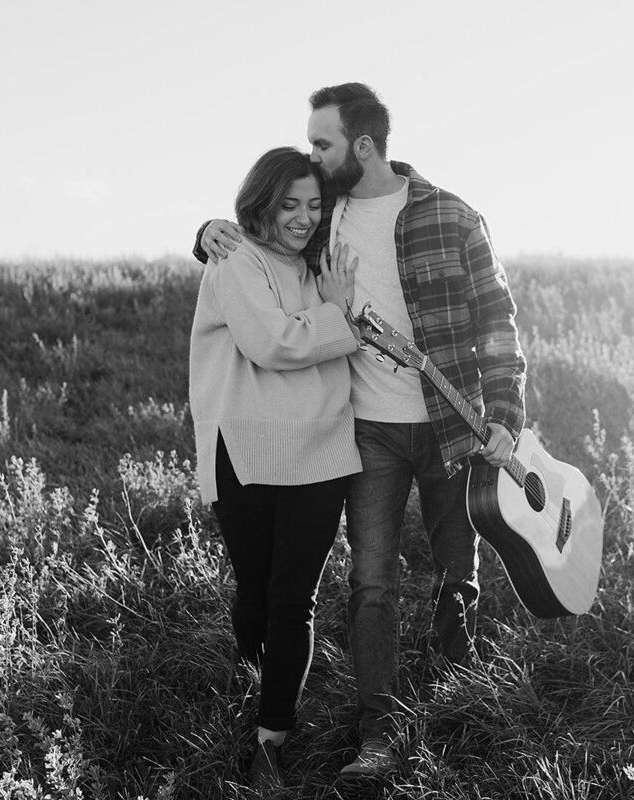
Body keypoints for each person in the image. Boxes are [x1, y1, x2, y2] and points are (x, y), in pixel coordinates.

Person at [195, 83, 527, 779]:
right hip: (365, 429)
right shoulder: (326, 218)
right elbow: (261, 239)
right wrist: (205, 232)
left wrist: (505, 417)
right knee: (370, 584)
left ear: (364, 146)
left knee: (454, 576)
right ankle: (379, 729)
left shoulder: (451, 217)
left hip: (448, 425)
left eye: (322, 143)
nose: (313, 159)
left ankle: (453, 699)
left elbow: (497, 322)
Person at [188, 146, 363, 792]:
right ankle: (253, 682)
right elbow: (272, 344)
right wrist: (337, 316)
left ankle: (272, 735)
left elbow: (308, 334)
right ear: (259, 202)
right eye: (289, 204)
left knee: (295, 600)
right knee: (255, 593)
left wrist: (332, 309)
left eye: (314, 206)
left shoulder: (319, 265)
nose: (302, 217)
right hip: (251, 451)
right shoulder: (233, 259)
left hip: (320, 451)